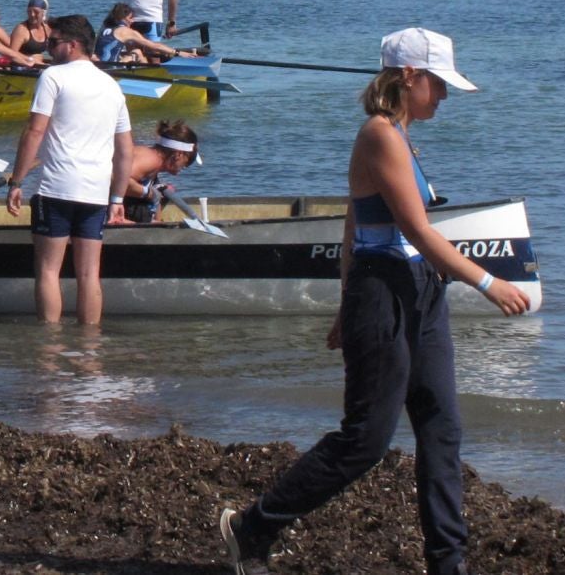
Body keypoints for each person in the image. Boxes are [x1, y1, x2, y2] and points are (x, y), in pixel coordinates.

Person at [218, 30, 530, 575]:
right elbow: (417, 230)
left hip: (418, 292)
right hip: (385, 290)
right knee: (366, 440)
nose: (446, 96)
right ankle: (253, 527)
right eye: (439, 84)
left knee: (441, 428)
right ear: (408, 76)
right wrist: (489, 283)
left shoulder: (403, 138)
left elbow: (352, 226)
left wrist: (345, 301)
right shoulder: (379, 135)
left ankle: (447, 564)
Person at [5, 14, 134, 323]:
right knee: (90, 274)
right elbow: (125, 151)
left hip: (57, 189)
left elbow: (34, 132)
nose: (48, 49)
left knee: (48, 271)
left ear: (73, 45)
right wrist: (117, 200)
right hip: (96, 193)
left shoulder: (53, 77)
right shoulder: (112, 86)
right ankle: (89, 353)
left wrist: (16, 181)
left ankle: (49, 352)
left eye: (53, 42)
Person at [117, 120, 201, 223]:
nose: (184, 168)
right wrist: (147, 193)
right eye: (186, 163)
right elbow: (117, 180)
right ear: (179, 154)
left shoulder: (154, 163)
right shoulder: (150, 160)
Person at [95, 3, 204, 64]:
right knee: (137, 52)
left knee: (135, 51)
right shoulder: (125, 31)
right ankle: (148, 78)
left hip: (99, 64)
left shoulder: (104, 27)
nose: (132, 21)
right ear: (123, 18)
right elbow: (153, 45)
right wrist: (177, 52)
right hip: (112, 67)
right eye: (130, 18)